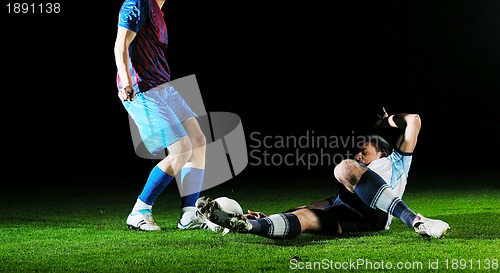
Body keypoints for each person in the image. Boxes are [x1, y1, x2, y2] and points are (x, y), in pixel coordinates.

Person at [197, 108, 451, 239]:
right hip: (348, 213)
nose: (359, 156)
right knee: (306, 214)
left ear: (382, 152)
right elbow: (313, 206)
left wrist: (385, 122)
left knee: (344, 167)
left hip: (378, 214)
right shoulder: (353, 179)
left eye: (364, 151)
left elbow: (414, 119)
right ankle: (248, 226)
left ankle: (415, 220)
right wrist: (271, 216)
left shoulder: (397, 161)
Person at [114, 0, 207, 231]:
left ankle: (189, 214)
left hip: (164, 87)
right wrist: (126, 82)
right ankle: (140, 211)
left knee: (198, 140)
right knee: (182, 149)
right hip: (142, 89)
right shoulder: (137, 3)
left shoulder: (158, 11)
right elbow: (120, 45)